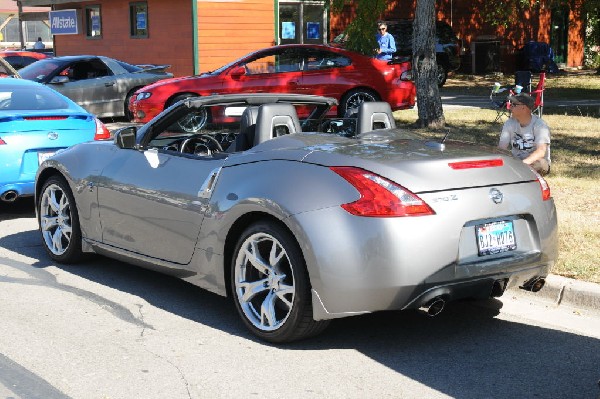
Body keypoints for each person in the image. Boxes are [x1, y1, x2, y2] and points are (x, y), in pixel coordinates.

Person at [498, 93, 551, 175]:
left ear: (524, 108)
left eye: (514, 104)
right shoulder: (509, 123)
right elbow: (501, 148)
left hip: (534, 161)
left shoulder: (540, 125)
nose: (510, 106)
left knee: (539, 165)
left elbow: (541, 151)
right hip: (516, 160)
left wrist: (522, 164)